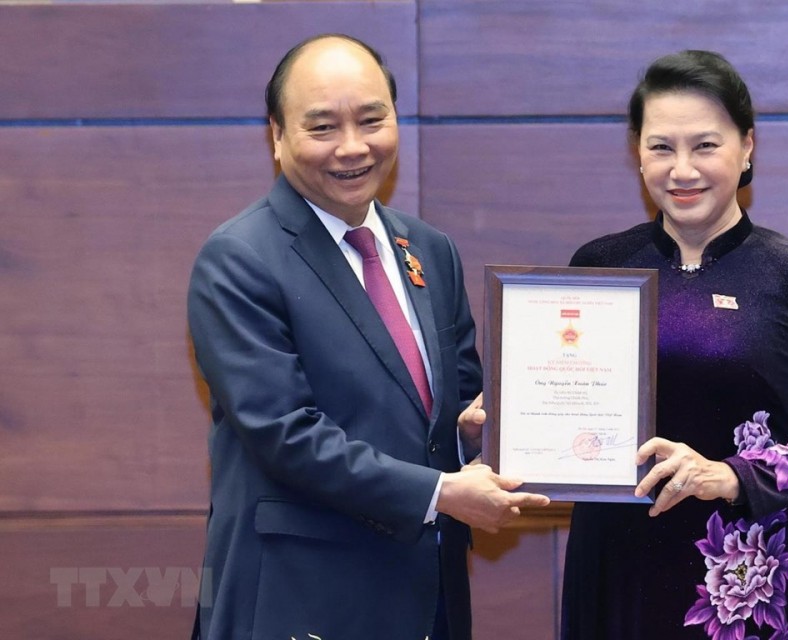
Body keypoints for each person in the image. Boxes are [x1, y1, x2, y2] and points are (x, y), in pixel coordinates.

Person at [186, 34, 548, 640]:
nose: (353, 147)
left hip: (424, 597)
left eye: (371, 120)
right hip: (303, 600)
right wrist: (440, 492)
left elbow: (454, 398)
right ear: (276, 135)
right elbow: (284, 434)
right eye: (322, 127)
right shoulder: (239, 259)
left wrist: (468, 434)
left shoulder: (429, 250)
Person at [559, 50, 788, 640]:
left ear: (748, 146)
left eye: (705, 145)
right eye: (661, 147)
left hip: (741, 573)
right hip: (614, 560)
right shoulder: (598, 265)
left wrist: (737, 475)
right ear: (637, 153)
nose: (682, 170)